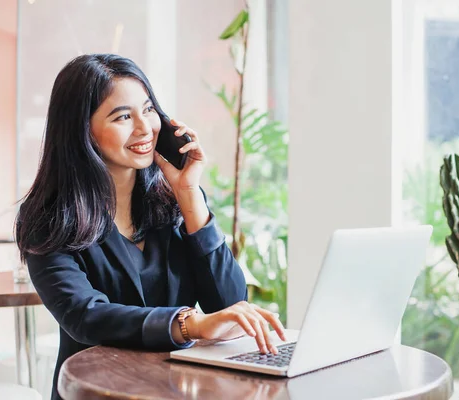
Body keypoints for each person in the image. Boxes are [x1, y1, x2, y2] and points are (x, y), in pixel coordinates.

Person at [15, 53, 286, 400]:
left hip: (180, 390)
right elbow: (84, 316)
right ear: (82, 130)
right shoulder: (49, 218)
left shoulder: (175, 200)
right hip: (98, 391)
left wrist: (189, 196)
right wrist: (190, 324)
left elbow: (229, 302)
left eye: (148, 110)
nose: (144, 128)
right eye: (123, 116)